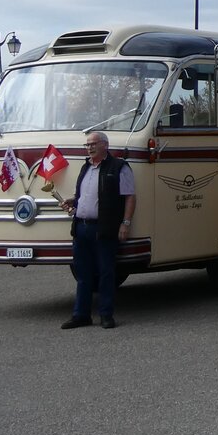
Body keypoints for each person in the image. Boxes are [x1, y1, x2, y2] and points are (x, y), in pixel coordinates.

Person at [60, 131, 136, 330]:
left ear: (105, 145)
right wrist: (73, 203)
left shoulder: (119, 167)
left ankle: (106, 314)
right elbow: (84, 196)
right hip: (81, 227)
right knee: (83, 275)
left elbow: (129, 197)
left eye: (93, 144)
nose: (89, 148)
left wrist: (125, 223)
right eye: (87, 145)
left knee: (106, 273)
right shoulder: (85, 167)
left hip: (104, 229)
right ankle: (81, 315)